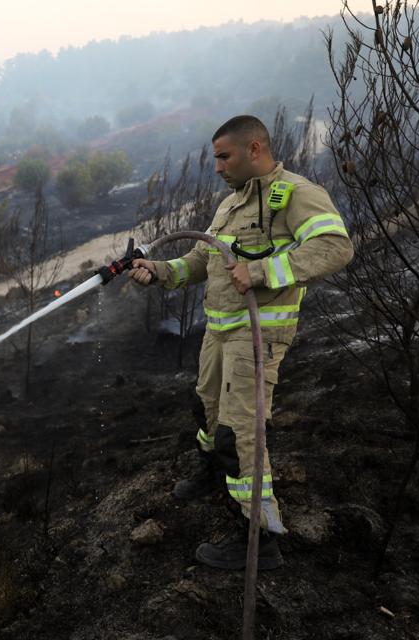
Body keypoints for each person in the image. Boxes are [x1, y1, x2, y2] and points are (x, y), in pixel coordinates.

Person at [128, 115, 353, 570]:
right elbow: (202, 259)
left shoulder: (294, 194)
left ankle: (259, 537)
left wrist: (263, 271)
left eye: (223, 157)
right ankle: (214, 476)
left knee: (240, 433)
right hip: (219, 332)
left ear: (254, 149)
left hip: (256, 336)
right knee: (208, 411)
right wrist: (161, 271)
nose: (217, 167)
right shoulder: (231, 204)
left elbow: (335, 247)